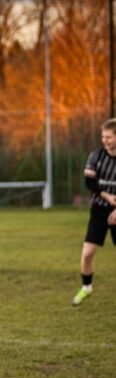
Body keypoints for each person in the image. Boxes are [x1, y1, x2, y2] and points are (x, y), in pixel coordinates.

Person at [73, 118, 116, 306]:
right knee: (87, 254)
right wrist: (107, 197)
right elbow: (89, 182)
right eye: (103, 137)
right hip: (99, 210)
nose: (105, 140)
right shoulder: (96, 156)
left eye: (108, 137)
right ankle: (86, 288)